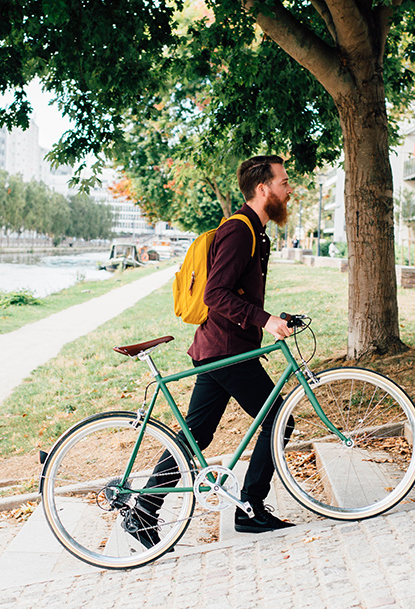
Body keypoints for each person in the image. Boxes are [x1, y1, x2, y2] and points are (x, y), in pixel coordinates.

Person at [124, 155, 296, 547]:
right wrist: (265, 320)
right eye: (284, 182)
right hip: (225, 350)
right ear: (263, 189)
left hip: (219, 347)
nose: (290, 190)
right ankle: (250, 508)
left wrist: (262, 320)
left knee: (196, 434)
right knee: (280, 420)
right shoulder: (240, 231)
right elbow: (215, 294)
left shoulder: (255, 231)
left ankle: (145, 511)